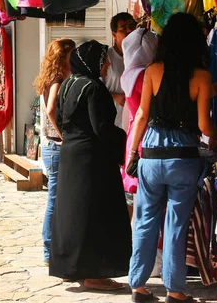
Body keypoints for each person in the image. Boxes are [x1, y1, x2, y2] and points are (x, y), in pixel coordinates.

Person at [126, 13, 217, 303]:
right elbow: (204, 127)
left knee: (145, 220)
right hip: (183, 156)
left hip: (152, 153)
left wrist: (133, 152)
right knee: (176, 223)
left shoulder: (153, 70)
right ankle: (175, 290)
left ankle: (138, 286)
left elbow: (142, 115)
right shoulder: (202, 77)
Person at [50, 40, 131, 290]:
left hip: (71, 155)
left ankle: (70, 268)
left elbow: (60, 117)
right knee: (94, 214)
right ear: (92, 62)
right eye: (104, 60)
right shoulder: (94, 88)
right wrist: (124, 140)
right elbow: (102, 129)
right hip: (92, 160)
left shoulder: (68, 84)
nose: (107, 65)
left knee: (72, 213)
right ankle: (95, 275)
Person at [32, 38, 76, 265]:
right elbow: (51, 110)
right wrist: (63, 134)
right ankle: (49, 250)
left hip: (50, 146)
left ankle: (52, 248)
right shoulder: (59, 79)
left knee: (55, 198)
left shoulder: (48, 78)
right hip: (56, 146)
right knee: (55, 198)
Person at [120, 28, 158, 218]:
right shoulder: (144, 75)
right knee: (148, 205)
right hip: (145, 137)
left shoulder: (129, 73)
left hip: (134, 135)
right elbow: (147, 111)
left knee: (141, 204)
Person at [105, 12, 137, 128]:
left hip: (136, 122)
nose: (129, 31)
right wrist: (113, 96)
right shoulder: (106, 58)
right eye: (123, 28)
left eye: (132, 27)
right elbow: (94, 89)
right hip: (113, 122)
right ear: (114, 34)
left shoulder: (142, 55)